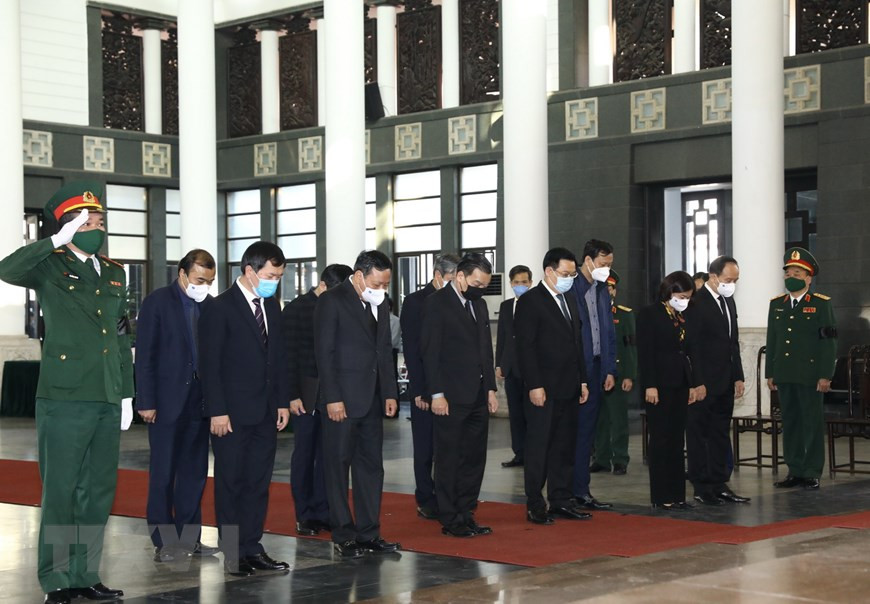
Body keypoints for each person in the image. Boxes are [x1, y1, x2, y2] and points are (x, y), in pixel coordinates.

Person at [0, 181, 133, 604]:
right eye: (86, 221)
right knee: (61, 491)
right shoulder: (50, 266)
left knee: (98, 491)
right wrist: (53, 241)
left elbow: (121, 336)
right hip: (65, 397)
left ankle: (85, 574)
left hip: (107, 397)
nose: (96, 227)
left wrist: (126, 393)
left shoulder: (114, 272)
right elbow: (7, 270)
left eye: (99, 221)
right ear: (67, 225)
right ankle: (56, 578)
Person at [199, 241, 291, 576]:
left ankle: (253, 547)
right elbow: (210, 365)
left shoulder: (272, 305)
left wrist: (282, 401)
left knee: (257, 483)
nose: (275, 281)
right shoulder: (220, 307)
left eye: (279, 276)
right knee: (231, 484)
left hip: (265, 412)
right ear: (249, 271)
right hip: (231, 416)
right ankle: (235, 553)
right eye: (270, 275)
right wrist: (218, 411)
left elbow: (278, 359)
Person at [314, 250, 400, 558]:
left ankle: (369, 533)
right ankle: (343, 534)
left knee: (371, 468)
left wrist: (390, 392)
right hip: (342, 401)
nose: (383, 289)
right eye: (378, 282)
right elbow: (324, 354)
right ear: (360, 276)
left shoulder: (381, 302)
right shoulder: (332, 301)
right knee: (337, 467)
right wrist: (332, 398)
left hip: (372, 399)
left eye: (386, 284)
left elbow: (383, 350)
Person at [136, 249, 219, 562]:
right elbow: (145, 355)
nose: (204, 286)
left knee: (194, 473)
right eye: (199, 279)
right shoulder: (158, 302)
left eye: (209, 281)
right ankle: (164, 541)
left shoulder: (210, 306)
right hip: (166, 403)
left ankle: (191, 539)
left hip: (200, 404)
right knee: (163, 474)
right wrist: (146, 400)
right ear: (182, 273)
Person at [422, 252, 499, 538]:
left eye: (485, 285)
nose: (481, 289)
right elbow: (430, 353)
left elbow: (484, 350)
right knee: (449, 458)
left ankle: (466, 512)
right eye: (477, 283)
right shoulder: (436, 304)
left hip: (478, 395)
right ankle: (450, 517)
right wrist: (436, 394)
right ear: (460, 277)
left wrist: (490, 388)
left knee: (474, 458)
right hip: (450, 396)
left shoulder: (477, 306)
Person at [514, 248, 590, 525]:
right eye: (565, 274)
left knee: (564, 446)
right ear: (549, 271)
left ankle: (561, 499)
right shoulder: (530, 301)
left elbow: (576, 343)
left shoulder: (570, 298)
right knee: (539, 446)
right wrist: (534, 384)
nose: (569, 278)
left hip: (569, 385)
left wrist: (582, 380)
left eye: (572, 274)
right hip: (543, 388)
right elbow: (526, 347)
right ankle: (535, 502)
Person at [281, 263, 353, 537]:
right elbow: (287, 356)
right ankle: (305, 514)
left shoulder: (341, 307)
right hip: (305, 394)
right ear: (323, 285)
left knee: (330, 456)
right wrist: (292, 394)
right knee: (305, 454)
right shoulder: (297, 309)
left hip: (334, 394)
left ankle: (326, 511)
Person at [767, 247, 836, 490]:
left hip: (810, 375)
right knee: (791, 422)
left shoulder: (820, 305)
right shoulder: (777, 305)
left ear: (808, 277)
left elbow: (828, 343)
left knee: (811, 423)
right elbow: (773, 339)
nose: (790, 277)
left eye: (796, 273)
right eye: (787, 273)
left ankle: (812, 470)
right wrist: (770, 372)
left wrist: (825, 374)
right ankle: (795, 469)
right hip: (785, 374)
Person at [399, 253, 460, 519]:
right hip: (425, 387)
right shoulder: (415, 302)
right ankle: (425, 497)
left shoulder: (458, 299)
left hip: (453, 386)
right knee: (425, 447)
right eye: (451, 278)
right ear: (438, 276)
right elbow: (414, 350)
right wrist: (421, 390)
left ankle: (448, 494)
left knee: (449, 446)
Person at [687, 256, 750, 505]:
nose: (731, 284)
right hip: (704, 382)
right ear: (713, 277)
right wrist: (697, 381)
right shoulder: (696, 303)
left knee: (720, 433)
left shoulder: (728, 301)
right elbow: (693, 347)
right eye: (728, 280)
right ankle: (702, 486)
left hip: (725, 380)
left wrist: (738, 376)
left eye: (735, 280)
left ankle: (719, 482)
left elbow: (732, 343)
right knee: (699, 434)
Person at [637, 271, 700, 510]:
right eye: (681, 295)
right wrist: (650, 385)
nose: (684, 300)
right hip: (659, 384)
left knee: (676, 439)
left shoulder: (682, 316)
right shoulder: (649, 314)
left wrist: (693, 383)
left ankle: (678, 495)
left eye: (687, 297)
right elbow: (646, 353)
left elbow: (688, 350)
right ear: (669, 291)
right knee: (660, 439)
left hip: (680, 382)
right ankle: (661, 495)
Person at [570, 239, 617, 510]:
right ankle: (566, 490)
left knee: (588, 432)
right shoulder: (572, 287)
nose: (606, 269)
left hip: (598, 367)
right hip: (578, 369)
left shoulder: (601, 290)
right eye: (603, 264)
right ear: (587, 260)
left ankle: (581, 489)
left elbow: (608, 332)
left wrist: (610, 368)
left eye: (610, 265)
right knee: (572, 433)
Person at [590, 270, 636, 475]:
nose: (608, 290)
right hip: (596, 374)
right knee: (599, 419)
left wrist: (629, 375)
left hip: (617, 374)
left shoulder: (624, 314)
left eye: (611, 287)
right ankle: (601, 458)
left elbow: (630, 347)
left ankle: (620, 458)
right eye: (605, 287)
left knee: (618, 420)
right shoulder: (591, 312)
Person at [496, 264, 533, 468]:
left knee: (531, 414)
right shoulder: (506, 306)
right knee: (516, 415)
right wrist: (498, 363)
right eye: (517, 282)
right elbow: (502, 335)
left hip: (531, 370)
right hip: (511, 368)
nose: (520, 285)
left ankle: (533, 454)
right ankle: (519, 453)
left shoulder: (537, 304)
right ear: (510, 284)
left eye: (524, 282)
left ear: (531, 283)